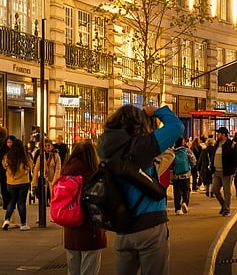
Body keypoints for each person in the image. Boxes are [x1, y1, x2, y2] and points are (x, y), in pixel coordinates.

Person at [97, 104, 183, 275]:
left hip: (122, 228)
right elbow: (176, 126)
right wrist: (157, 111)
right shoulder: (142, 145)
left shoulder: (104, 149)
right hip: (150, 225)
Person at [61, 140, 107, 275]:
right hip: (90, 229)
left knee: (72, 269)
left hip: (70, 228)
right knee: (89, 269)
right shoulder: (94, 175)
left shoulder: (66, 172)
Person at [207, 127, 237, 216]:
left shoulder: (231, 144)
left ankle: (227, 209)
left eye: (219, 133)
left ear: (224, 134)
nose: (217, 135)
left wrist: (231, 168)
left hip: (227, 172)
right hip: (216, 171)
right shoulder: (217, 144)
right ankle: (223, 205)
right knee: (215, 190)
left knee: (227, 191)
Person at [2, 135, 32, 230]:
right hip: (23, 182)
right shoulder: (25, 156)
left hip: (11, 183)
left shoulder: (7, 156)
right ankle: (23, 224)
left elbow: (4, 166)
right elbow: (30, 166)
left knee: (12, 201)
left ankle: (7, 220)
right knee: (21, 203)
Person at [32, 138, 62, 213]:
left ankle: (53, 214)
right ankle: (41, 215)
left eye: (49, 145)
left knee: (53, 198)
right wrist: (35, 181)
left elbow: (58, 168)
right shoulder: (41, 155)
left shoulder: (56, 155)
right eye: (45, 146)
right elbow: (36, 168)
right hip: (43, 179)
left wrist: (55, 179)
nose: (47, 147)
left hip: (52, 179)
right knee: (42, 199)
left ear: (52, 146)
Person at [171, 137, 195, 215]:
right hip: (185, 174)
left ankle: (178, 209)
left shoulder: (172, 151)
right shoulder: (186, 150)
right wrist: (190, 167)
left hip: (176, 175)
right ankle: (185, 202)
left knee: (177, 192)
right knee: (186, 190)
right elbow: (193, 160)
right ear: (182, 142)